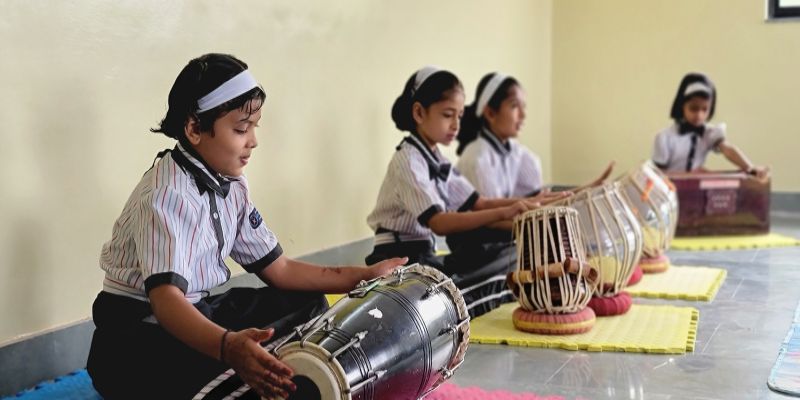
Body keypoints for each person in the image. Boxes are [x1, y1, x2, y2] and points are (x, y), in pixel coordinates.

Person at [86, 53, 406, 399]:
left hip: (193, 310)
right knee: (245, 358)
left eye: (254, 127)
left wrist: (363, 277)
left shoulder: (232, 184)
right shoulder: (168, 194)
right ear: (194, 129)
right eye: (241, 129)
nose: (253, 140)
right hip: (136, 340)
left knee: (310, 305)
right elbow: (166, 302)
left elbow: (281, 269)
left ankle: (249, 375)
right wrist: (228, 346)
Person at [364, 66, 553, 318]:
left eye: (460, 116)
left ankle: (455, 297)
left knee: (511, 254)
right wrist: (507, 211)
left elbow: (478, 202)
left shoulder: (435, 158)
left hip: (425, 256)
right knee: (483, 274)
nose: (456, 125)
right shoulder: (408, 160)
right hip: (398, 262)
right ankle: (454, 304)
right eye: (447, 115)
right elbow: (439, 223)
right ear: (419, 113)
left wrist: (534, 201)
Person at [652, 72, 769, 178]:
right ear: (682, 106)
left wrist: (750, 168)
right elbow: (658, 175)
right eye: (693, 108)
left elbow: (728, 149)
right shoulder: (664, 138)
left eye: (704, 109)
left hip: (696, 189)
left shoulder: (709, 133)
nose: (699, 115)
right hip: (668, 189)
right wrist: (689, 175)